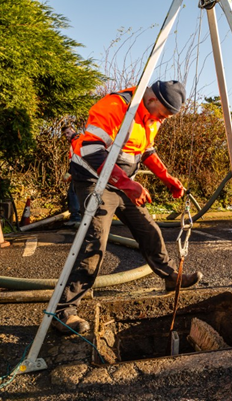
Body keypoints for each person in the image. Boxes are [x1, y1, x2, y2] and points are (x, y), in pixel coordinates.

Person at [53, 80, 203, 334]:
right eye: (164, 115)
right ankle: (64, 311)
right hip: (93, 178)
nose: (163, 121)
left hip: (121, 182)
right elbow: (91, 149)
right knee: (94, 242)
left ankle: (170, 277)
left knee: (147, 228)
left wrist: (168, 179)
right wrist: (127, 184)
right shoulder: (115, 106)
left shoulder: (151, 117)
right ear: (153, 100)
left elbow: (145, 151)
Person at [61, 125, 82, 224]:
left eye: (68, 133)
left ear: (73, 130)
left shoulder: (77, 140)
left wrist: (69, 173)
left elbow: (76, 159)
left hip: (79, 171)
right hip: (79, 170)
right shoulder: (74, 142)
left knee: (73, 193)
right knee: (80, 193)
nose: (66, 135)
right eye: (65, 134)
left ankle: (75, 217)